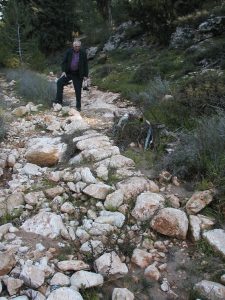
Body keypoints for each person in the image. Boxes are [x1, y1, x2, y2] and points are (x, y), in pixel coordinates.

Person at [54, 39, 88, 111]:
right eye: (76, 46)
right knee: (59, 82)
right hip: (69, 72)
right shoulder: (69, 52)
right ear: (73, 46)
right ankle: (58, 101)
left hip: (78, 74)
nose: (77, 48)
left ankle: (78, 106)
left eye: (78, 46)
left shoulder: (83, 53)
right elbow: (64, 62)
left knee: (78, 90)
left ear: (80, 46)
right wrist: (63, 71)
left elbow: (85, 64)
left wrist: (85, 75)